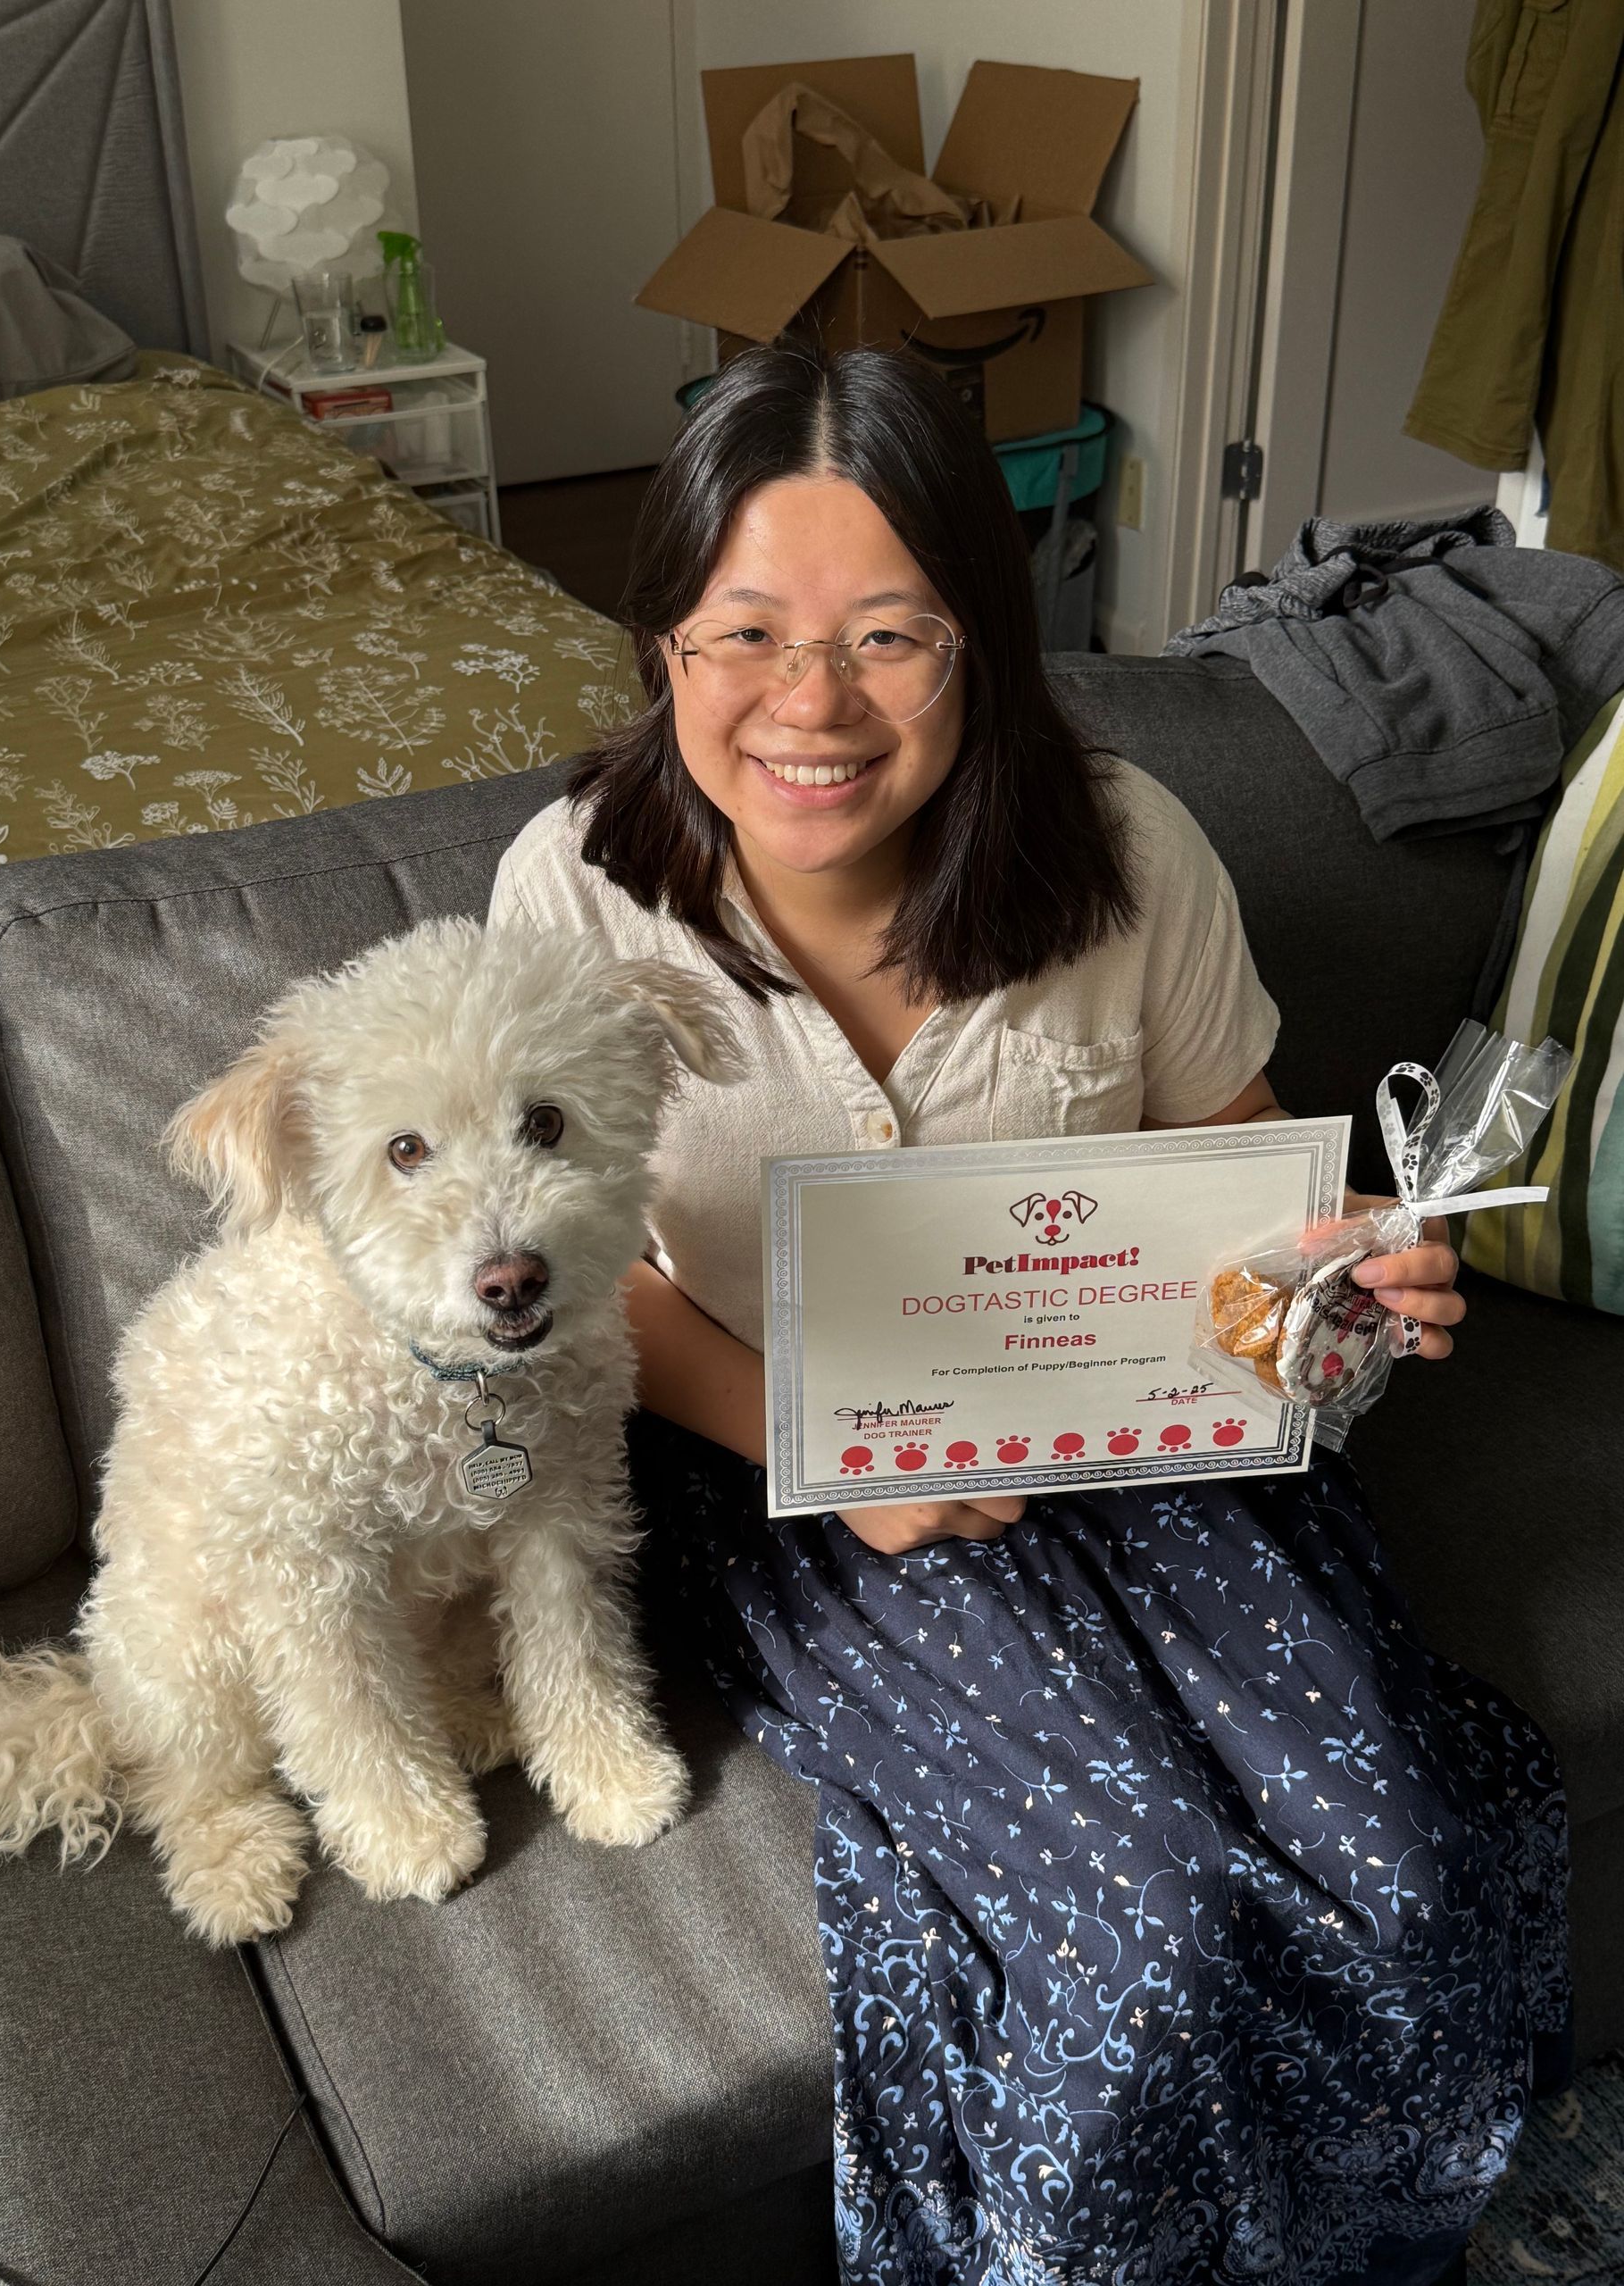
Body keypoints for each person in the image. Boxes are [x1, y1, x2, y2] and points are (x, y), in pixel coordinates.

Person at [488, 346, 1569, 2286]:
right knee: (1134, 1916)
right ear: (662, 643)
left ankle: (1367, 2253)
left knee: (1399, 1864)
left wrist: (1348, 1270)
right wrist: (825, 1446)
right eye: (747, 632)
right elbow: (570, 1279)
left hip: (1138, 1443)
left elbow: (1234, 1194)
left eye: (889, 634)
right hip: (797, 1464)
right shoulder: (570, 897)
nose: (811, 706)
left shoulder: (1131, 849)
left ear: (985, 637)